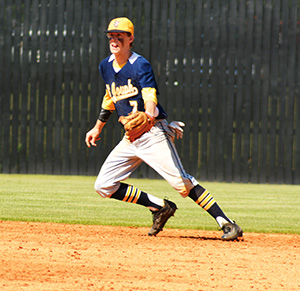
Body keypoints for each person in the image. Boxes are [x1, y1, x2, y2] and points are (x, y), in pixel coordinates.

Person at [85, 17, 243, 240]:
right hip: (130, 137)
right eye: (111, 35)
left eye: (120, 36)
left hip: (152, 134)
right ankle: (159, 207)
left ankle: (227, 223)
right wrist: (97, 127)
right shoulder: (105, 65)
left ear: (130, 38)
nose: (114, 39)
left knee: (182, 184)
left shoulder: (140, 64)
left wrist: (149, 115)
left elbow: (150, 94)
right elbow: (109, 97)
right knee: (104, 185)